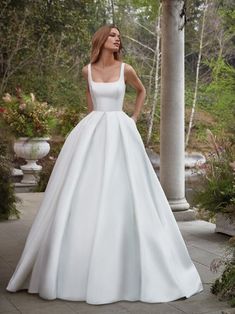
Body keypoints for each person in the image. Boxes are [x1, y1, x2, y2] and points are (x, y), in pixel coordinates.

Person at [6, 24, 203, 305]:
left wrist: (132, 118)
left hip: (121, 131)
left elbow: (142, 91)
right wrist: (91, 128)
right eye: (112, 35)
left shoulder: (127, 69)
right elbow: (90, 103)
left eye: (118, 37)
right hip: (94, 129)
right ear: (101, 39)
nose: (117, 39)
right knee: (84, 191)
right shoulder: (87, 70)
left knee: (127, 190)